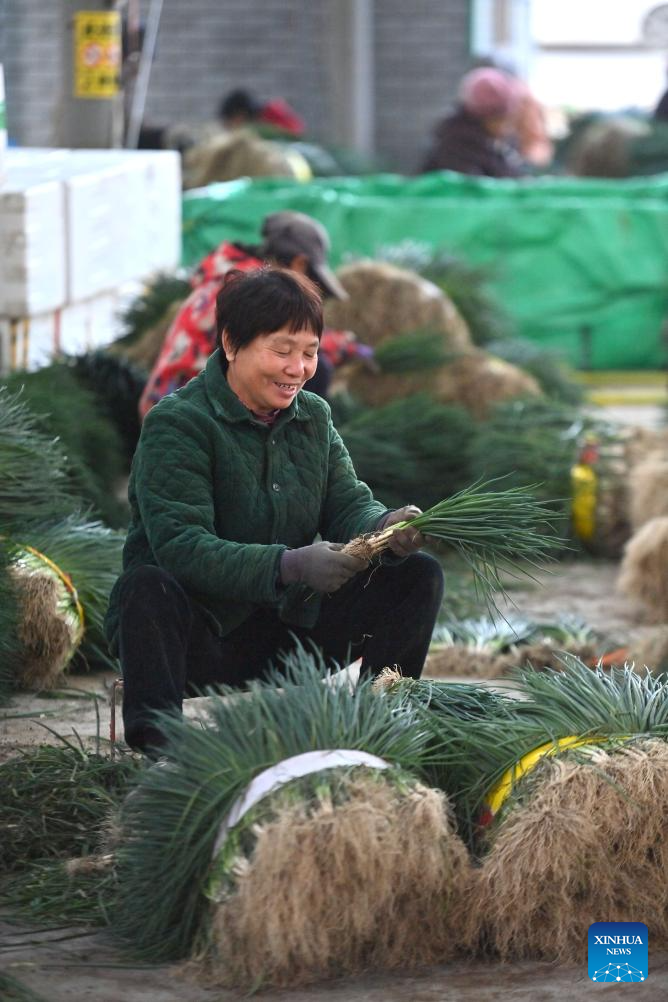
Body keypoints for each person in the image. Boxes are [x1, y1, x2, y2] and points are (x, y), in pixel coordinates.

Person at [105, 269, 445, 753]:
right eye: (281, 350)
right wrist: (289, 565)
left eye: (309, 352)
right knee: (146, 587)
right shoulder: (178, 424)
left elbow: (346, 500)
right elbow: (182, 546)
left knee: (418, 574)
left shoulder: (313, 416)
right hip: (206, 640)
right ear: (231, 343)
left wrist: (385, 528)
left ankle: (380, 717)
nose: (298, 368)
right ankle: (161, 747)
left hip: (291, 634)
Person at [138, 211, 372, 418]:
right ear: (300, 264)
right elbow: (289, 341)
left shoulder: (233, 276)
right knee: (319, 371)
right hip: (185, 413)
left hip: (164, 401)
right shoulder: (254, 290)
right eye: (312, 279)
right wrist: (348, 347)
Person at [419, 67, 527, 178]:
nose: (508, 126)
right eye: (502, 119)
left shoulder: (497, 142)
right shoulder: (458, 142)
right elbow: (474, 187)